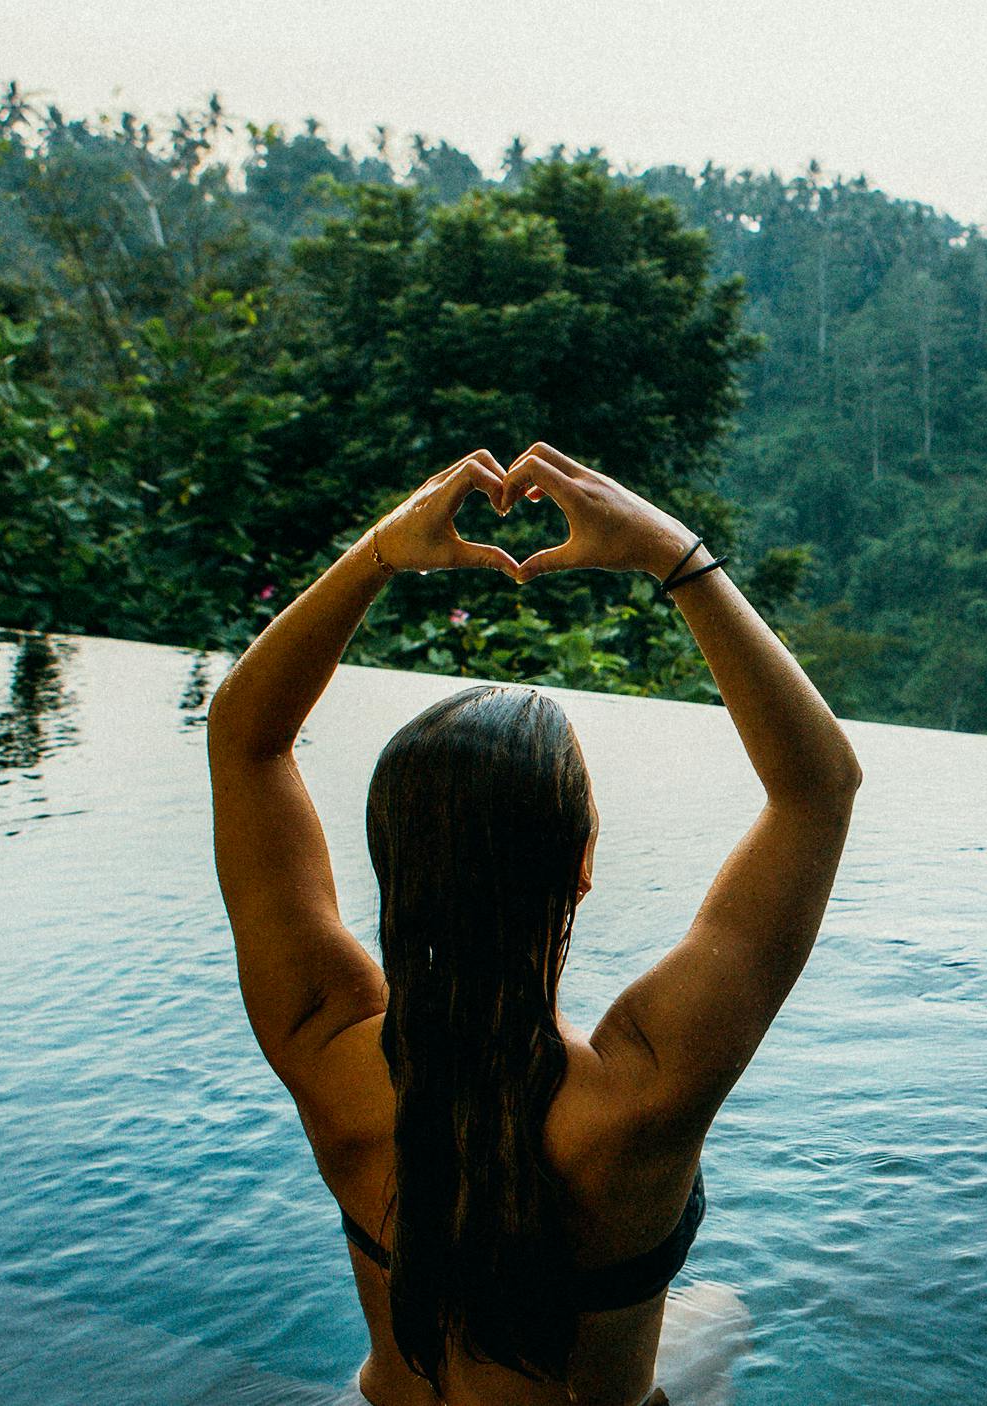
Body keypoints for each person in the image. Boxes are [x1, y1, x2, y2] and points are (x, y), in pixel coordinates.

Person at [206, 443, 862, 1406]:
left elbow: (244, 739)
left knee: (710, 1318)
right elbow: (818, 788)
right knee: (722, 1314)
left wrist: (379, 555)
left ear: (392, 868)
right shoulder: (644, 1088)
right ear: (583, 866)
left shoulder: (325, 1042)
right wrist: (675, 557)